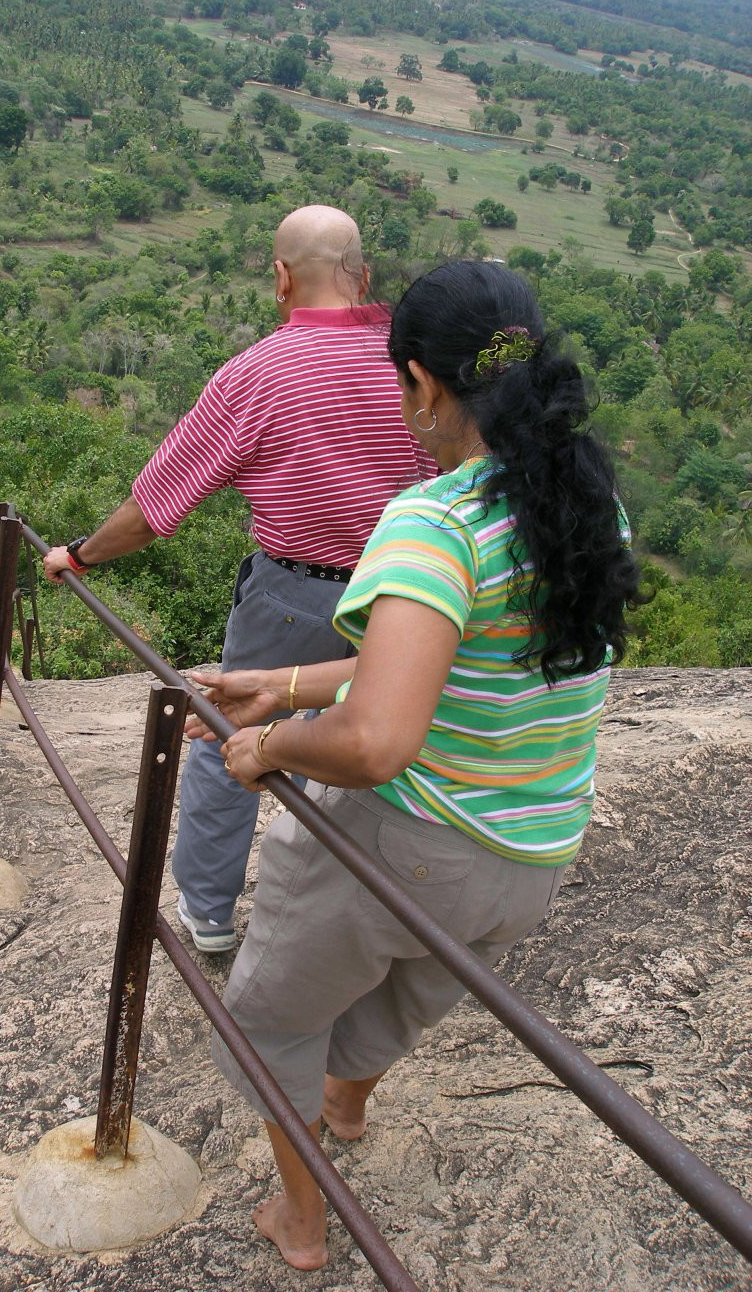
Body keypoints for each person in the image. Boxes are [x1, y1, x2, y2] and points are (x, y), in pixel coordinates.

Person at [184, 259, 644, 1270]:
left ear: (426, 386)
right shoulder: (580, 501)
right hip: (532, 853)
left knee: (266, 1017)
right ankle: (343, 1109)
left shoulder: (435, 520)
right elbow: (460, 659)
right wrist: (290, 684)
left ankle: (303, 1218)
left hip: (413, 841)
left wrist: (266, 747)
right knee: (397, 996)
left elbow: (375, 741)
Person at [44, 205, 435, 951]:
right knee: (376, 746)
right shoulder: (416, 365)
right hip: (410, 596)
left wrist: (81, 556)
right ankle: (353, 918)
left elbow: (156, 507)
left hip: (294, 597)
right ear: (366, 275)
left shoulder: (257, 373)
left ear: (282, 278)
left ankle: (210, 916)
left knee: (225, 737)